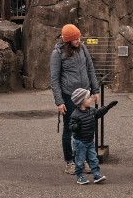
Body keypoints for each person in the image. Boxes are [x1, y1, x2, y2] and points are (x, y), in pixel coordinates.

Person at [50, 24, 100, 175]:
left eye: (79, 37)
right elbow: (54, 79)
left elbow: (90, 68)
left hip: (84, 94)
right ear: (68, 40)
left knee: (86, 127)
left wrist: (95, 90)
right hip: (68, 95)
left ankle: (82, 160)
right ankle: (69, 161)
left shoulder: (82, 48)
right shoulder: (57, 53)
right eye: (75, 38)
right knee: (69, 129)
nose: (79, 40)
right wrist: (59, 102)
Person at [69, 88, 118, 184]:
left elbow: (98, 113)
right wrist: (76, 126)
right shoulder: (75, 114)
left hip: (90, 141)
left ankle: (96, 174)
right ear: (81, 102)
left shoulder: (91, 110)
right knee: (80, 160)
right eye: (88, 98)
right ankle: (79, 176)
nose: (91, 99)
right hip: (80, 142)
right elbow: (71, 126)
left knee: (93, 158)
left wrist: (107, 107)